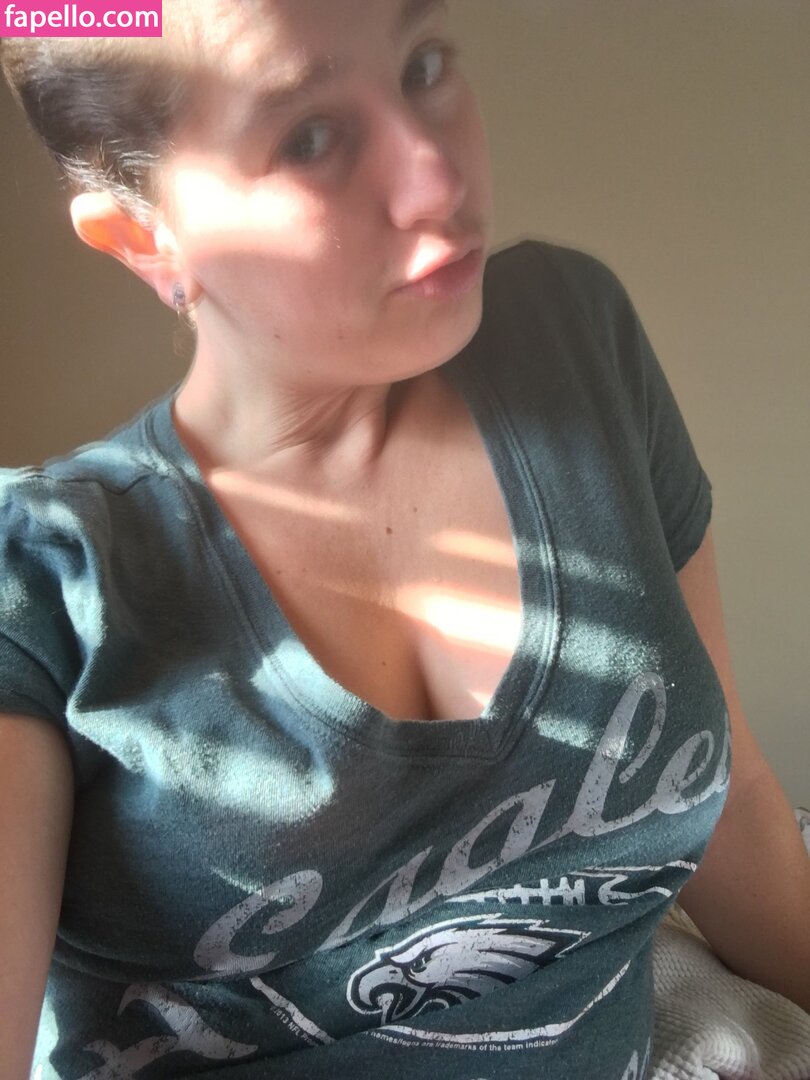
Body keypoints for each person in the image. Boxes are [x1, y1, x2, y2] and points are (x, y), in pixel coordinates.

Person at [1, 2, 808, 1077]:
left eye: (424, 64)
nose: (436, 177)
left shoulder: (574, 344)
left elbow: (733, 802)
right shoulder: (45, 577)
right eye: (311, 137)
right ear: (144, 236)